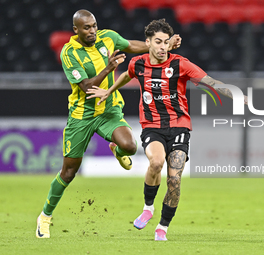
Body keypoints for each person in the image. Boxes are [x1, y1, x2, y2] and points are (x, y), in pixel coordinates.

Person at [86, 19, 247, 241]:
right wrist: (109, 91)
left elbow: (210, 81)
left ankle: (163, 226)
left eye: (165, 42)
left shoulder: (180, 64)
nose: (162, 47)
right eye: (158, 42)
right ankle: (148, 207)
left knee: (174, 179)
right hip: (152, 126)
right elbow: (126, 75)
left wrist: (236, 95)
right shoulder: (138, 64)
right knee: (156, 163)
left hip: (179, 126)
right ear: (148, 43)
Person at [36, 10, 181, 239]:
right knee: (69, 172)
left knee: (131, 146)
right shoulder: (69, 52)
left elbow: (131, 46)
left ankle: (116, 148)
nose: (92, 31)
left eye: (94, 26)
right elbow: (86, 87)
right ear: (76, 30)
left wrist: (161, 46)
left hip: (108, 110)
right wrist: (109, 68)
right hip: (82, 116)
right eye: (86, 28)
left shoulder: (108, 37)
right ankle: (45, 216)